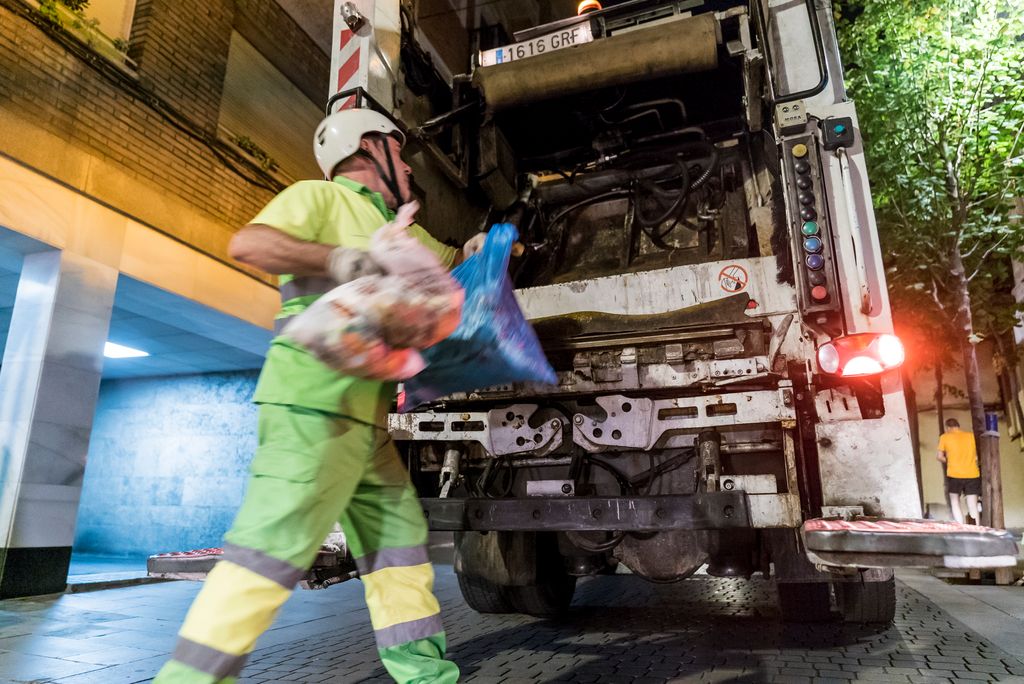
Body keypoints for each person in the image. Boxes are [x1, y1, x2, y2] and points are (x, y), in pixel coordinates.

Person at [154, 108, 483, 684]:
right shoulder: (320, 198)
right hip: (312, 404)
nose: (407, 166)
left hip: (367, 422)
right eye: (399, 153)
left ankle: (426, 677)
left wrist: (484, 247)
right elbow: (249, 243)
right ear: (368, 149)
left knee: (400, 547)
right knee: (269, 550)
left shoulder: (399, 230)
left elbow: (453, 268)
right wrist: (336, 258)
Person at [936, 417, 982, 525]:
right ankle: (976, 529)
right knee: (972, 504)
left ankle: (960, 526)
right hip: (972, 474)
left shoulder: (944, 437)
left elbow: (939, 456)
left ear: (947, 428)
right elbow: (976, 457)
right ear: (958, 426)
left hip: (954, 474)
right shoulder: (970, 436)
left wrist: (949, 460)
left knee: (955, 501)